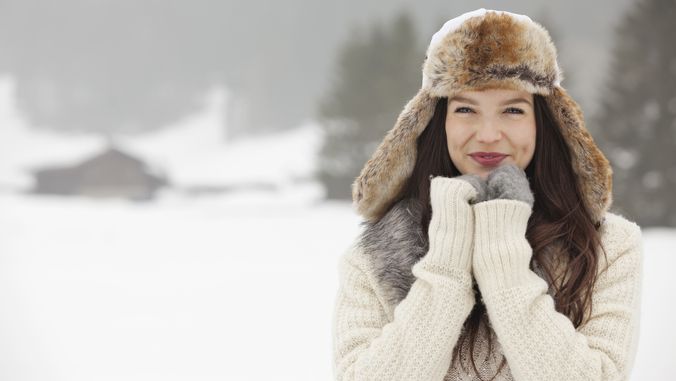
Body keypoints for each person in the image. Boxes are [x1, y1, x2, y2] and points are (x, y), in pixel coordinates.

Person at [331, 8, 643, 381]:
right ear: (436, 121)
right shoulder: (375, 256)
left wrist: (505, 265)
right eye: (465, 109)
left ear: (544, 123)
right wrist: (445, 267)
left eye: (513, 110)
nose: (489, 134)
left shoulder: (607, 246)